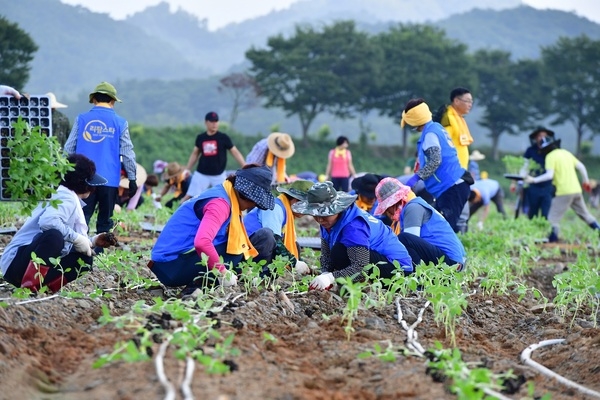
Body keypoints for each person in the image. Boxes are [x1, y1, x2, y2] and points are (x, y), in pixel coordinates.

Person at [149, 165, 275, 297]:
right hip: (170, 265)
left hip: (171, 263)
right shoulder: (220, 204)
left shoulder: (224, 192)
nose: (253, 206)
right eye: (255, 203)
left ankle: (208, 285)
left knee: (250, 241)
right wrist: (223, 272)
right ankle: (194, 290)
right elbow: (202, 243)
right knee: (236, 248)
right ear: (247, 196)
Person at [0, 154, 118, 292]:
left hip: (23, 263)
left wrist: (93, 241)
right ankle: (29, 289)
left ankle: (43, 290)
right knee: (54, 237)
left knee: (85, 261)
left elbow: (69, 241)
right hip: (16, 263)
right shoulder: (65, 196)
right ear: (83, 183)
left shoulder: (64, 194)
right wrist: (76, 238)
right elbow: (48, 222)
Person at [292, 181, 413, 290]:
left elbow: (360, 267)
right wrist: (324, 273)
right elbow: (326, 255)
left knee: (339, 251)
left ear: (337, 209)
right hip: (375, 260)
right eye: (315, 215)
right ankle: (349, 286)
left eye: (324, 214)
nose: (319, 219)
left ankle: (354, 289)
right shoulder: (327, 223)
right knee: (337, 252)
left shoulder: (354, 226)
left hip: (398, 272)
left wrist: (331, 277)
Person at [64, 82, 137, 234]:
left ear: (94, 100)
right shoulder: (120, 123)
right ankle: (100, 254)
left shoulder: (81, 119)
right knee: (105, 223)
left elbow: (68, 149)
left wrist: (66, 173)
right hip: (109, 179)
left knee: (81, 219)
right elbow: (127, 153)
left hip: (83, 179)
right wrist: (132, 178)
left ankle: (79, 253)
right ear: (112, 101)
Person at [401, 98, 470, 233]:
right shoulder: (437, 128)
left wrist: (416, 178)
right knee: (437, 224)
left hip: (451, 187)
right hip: (452, 186)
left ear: (413, 120)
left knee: (445, 230)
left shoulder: (430, 134)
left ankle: (452, 254)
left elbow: (435, 161)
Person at [374, 177, 466, 271]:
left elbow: (408, 245)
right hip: (451, 260)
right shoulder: (413, 205)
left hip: (452, 264)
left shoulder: (413, 208)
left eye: (386, 209)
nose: (387, 213)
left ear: (394, 203)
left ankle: (417, 280)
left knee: (405, 238)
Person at [524, 136, 600, 242]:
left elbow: (549, 175)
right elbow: (581, 167)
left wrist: (533, 180)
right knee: (585, 214)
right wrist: (586, 181)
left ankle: (553, 240)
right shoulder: (566, 153)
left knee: (552, 217)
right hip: (576, 190)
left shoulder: (550, 157)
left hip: (564, 192)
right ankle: (598, 230)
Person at [243, 179, 314, 275]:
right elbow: (275, 240)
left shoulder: (287, 211)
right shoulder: (275, 208)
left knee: (294, 245)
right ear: (295, 200)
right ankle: (260, 273)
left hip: (257, 247)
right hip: (245, 251)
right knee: (267, 235)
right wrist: (294, 263)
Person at [182, 112, 245, 202]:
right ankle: (177, 212)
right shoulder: (201, 137)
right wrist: (187, 169)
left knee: (228, 197)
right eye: (211, 121)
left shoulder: (223, 137)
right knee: (190, 197)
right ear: (206, 122)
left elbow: (235, 152)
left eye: (216, 121)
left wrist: (245, 166)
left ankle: (234, 215)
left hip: (218, 174)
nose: (214, 124)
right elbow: (195, 153)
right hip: (202, 174)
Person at [438, 88, 475, 234]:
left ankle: (461, 238)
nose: (470, 104)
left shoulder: (459, 118)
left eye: (472, 101)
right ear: (456, 101)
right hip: (451, 173)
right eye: (467, 101)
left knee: (461, 209)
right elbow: (442, 144)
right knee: (453, 209)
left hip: (461, 171)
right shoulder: (448, 118)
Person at [518, 127, 555, 219]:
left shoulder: (551, 151)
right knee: (532, 212)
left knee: (546, 213)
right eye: (539, 136)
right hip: (533, 186)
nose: (542, 138)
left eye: (544, 136)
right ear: (535, 138)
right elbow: (525, 166)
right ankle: (532, 230)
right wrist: (521, 180)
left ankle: (544, 231)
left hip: (547, 185)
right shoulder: (530, 150)